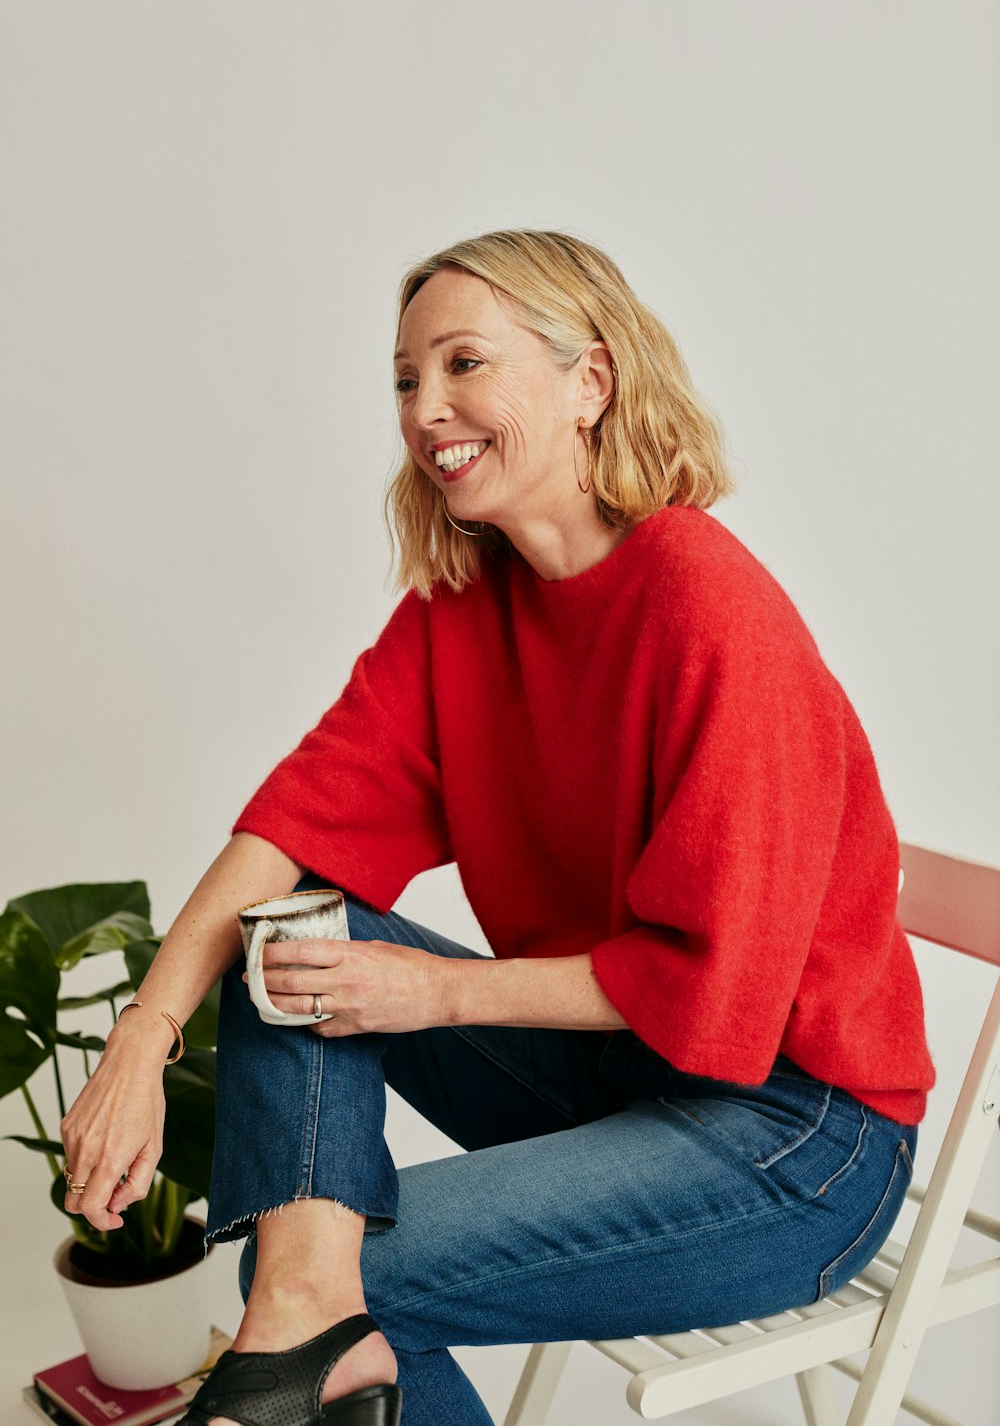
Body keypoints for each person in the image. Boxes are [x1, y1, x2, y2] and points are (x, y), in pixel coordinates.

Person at [60, 230, 935, 1426]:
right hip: (620, 1074)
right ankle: (294, 1332)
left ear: (590, 383)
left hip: (792, 1137)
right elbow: (292, 829)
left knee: (329, 1284)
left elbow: (717, 990)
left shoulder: (706, 605)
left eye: (465, 362)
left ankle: (288, 1340)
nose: (429, 409)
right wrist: (140, 1039)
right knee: (287, 939)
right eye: (408, 378)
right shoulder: (465, 609)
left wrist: (434, 995)